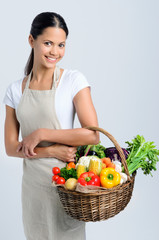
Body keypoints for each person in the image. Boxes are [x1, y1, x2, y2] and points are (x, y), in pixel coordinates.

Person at [3, 12, 99, 240]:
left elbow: (93, 135)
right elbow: (9, 147)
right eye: (48, 43)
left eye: (61, 45)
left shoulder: (73, 81)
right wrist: (50, 150)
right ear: (31, 40)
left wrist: (42, 133)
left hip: (66, 184)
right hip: (33, 188)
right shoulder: (15, 90)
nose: (55, 52)